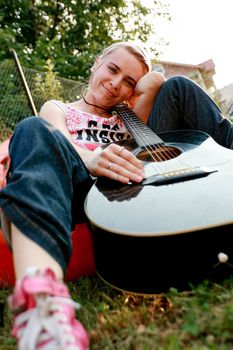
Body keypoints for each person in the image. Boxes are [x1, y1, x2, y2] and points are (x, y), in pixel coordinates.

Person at [0, 41, 233, 350]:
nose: (115, 84)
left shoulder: (131, 113)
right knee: (32, 128)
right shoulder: (58, 108)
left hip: (139, 184)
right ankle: (42, 307)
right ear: (96, 63)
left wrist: (133, 86)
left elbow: (158, 81)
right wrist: (90, 158)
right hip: (84, 183)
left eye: (128, 81)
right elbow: (57, 138)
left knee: (180, 86)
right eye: (112, 69)